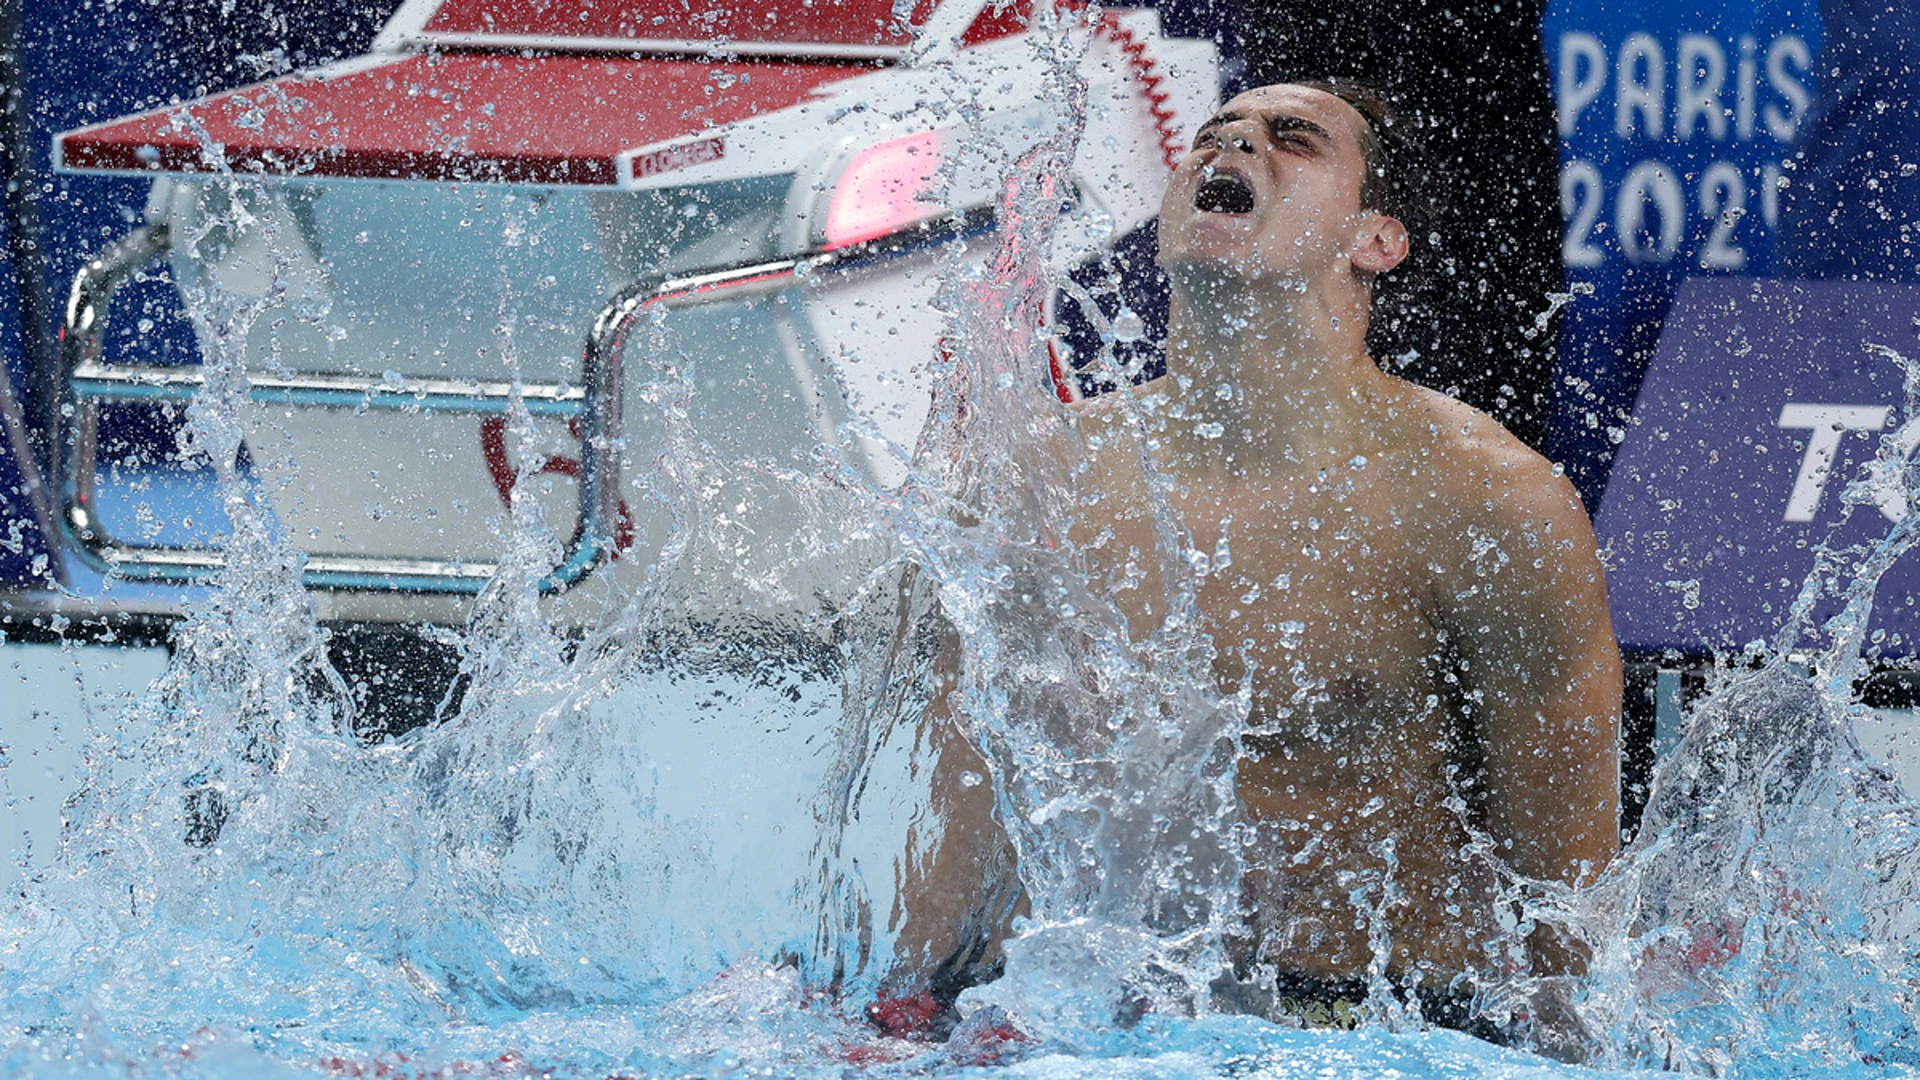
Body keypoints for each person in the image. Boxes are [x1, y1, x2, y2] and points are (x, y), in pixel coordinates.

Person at [879, 81, 1621, 1041]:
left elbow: (1565, 885)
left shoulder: (1481, 500)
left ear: (1375, 240)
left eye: (1294, 139)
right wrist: (900, 1013)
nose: (1233, 146)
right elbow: (965, 818)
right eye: (1214, 134)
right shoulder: (1033, 483)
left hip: (1372, 1031)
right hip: (1095, 1023)